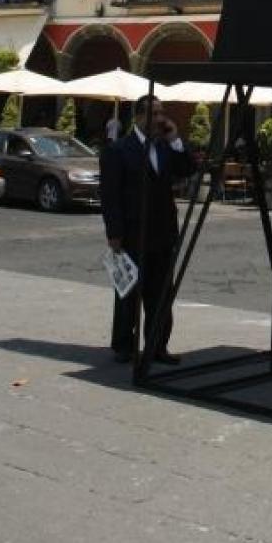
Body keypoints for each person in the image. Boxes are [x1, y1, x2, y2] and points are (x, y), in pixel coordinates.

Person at [100, 94, 195, 365]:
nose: (160, 119)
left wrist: (176, 139)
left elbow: (188, 168)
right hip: (131, 232)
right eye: (154, 114)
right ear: (139, 117)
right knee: (129, 292)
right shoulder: (119, 150)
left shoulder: (165, 147)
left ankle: (157, 345)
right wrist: (114, 234)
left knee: (160, 294)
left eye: (162, 113)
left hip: (163, 232)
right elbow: (111, 196)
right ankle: (123, 345)